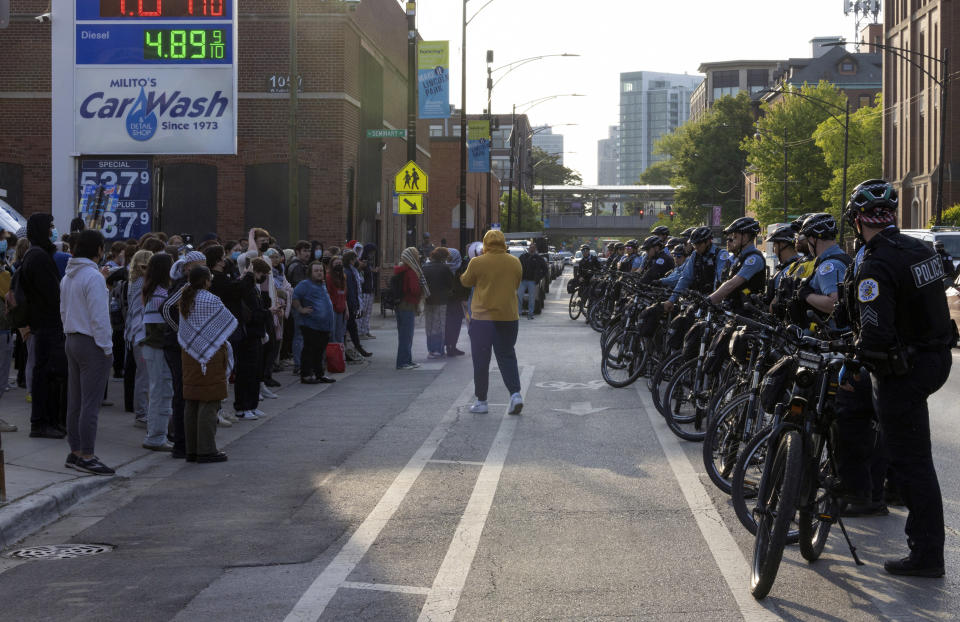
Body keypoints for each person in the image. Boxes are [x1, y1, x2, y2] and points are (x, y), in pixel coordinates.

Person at [844, 179, 956, 577]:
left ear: (859, 220)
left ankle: (926, 555)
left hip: (901, 370)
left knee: (913, 463)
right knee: (913, 458)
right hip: (934, 359)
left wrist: (855, 357)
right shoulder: (918, 248)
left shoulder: (876, 262)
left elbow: (874, 332)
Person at [60, 230, 115, 475]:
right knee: (90, 403)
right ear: (99, 249)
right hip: (91, 341)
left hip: (72, 338)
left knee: (76, 401)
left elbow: (63, 310)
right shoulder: (93, 276)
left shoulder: (69, 276)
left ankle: (75, 451)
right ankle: (87, 455)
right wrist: (106, 347)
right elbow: (99, 317)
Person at [459, 230, 524, 415]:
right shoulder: (514, 262)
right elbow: (516, 284)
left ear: (485, 244)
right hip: (508, 316)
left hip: (482, 318)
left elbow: (465, 281)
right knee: (507, 356)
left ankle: (481, 401)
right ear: (503, 242)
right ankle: (515, 395)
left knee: (481, 359)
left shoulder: (477, 262)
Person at [178, 265, 234, 463]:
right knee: (209, 400)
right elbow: (229, 322)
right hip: (211, 354)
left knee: (192, 400)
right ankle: (206, 449)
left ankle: (192, 450)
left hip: (189, 352)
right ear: (206, 280)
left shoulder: (185, 298)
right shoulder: (211, 299)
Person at [20, 214, 68, 439]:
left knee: (48, 374)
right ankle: (42, 422)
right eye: (50, 227)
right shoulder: (38, 256)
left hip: (44, 324)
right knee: (48, 375)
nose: (53, 231)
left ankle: (48, 421)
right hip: (48, 325)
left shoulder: (35, 254)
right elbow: (51, 294)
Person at [140, 253, 174, 451]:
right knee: (161, 392)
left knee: (158, 392)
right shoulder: (159, 294)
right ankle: (156, 436)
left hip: (154, 349)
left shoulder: (154, 291)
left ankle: (157, 434)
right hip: (157, 349)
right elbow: (157, 327)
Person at [707, 217, 765, 309]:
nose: (732, 239)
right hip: (734, 311)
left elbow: (731, 284)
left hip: (748, 316)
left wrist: (709, 300)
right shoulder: (739, 257)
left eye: (735, 236)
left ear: (745, 237)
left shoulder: (754, 259)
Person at [292, 261, 336, 384]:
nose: (319, 273)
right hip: (310, 325)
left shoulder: (322, 284)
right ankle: (306, 375)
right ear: (310, 272)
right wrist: (301, 309)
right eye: (316, 271)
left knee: (320, 351)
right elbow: (294, 296)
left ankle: (319, 374)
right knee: (309, 350)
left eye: (321, 270)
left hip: (324, 326)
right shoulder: (305, 284)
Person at [664, 226, 725, 313]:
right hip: (698, 300)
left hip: (713, 302)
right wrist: (671, 300)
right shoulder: (695, 255)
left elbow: (719, 280)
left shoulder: (720, 255)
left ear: (708, 242)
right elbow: (685, 277)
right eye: (694, 244)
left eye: (698, 244)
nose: (696, 247)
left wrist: (713, 301)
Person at [393, 248, 425, 369]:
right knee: (406, 335)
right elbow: (414, 290)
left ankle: (408, 360)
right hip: (408, 305)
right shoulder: (411, 271)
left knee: (404, 335)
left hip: (401, 305)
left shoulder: (401, 269)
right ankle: (402, 362)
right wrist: (421, 290)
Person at [423, 247, 454, 357]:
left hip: (428, 300)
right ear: (444, 257)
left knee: (429, 325)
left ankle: (430, 349)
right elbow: (451, 284)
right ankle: (438, 349)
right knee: (439, 325)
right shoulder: (445, 268)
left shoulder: (425, 267)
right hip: (441, 300)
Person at [286, 241, 312, 373]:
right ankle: (299, 364)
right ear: (297, 251)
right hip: (299, 306)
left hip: (301, 306)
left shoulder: (301, 265)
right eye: (305, 251)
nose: (308, 253)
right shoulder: (297, 267)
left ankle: (301, 363)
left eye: (309, 251)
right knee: (299, 335)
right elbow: (299, 289)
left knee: (301, 335)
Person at [341, 250, 371, 359]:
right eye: (355, 258)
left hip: (352, 303)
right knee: (350, 328)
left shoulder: (352, 271)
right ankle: (356, 349)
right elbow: (350, 290)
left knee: (351, 328)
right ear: (351, 260)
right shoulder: (348, 272)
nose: (357, 261)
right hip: (349, 304)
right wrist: (354, 305)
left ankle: (357, 348)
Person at [445, 249, 469, 357]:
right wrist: (464, 297)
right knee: (454, 325)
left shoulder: (446, 267)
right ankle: (451, 347)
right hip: (455, 301)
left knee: (451, 325)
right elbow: (462, 285)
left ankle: (451, 346)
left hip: (448, 301)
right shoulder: (459, 268)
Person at [517, 243, 548, 320]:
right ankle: (518, 313)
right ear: (528, 248)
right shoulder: (523, 257)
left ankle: (530, 314)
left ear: (535, 249)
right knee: (519, 297)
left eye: (533, 247)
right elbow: (516, 267)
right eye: (531, 247)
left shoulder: (538, 258)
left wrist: (538, 277)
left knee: (532, 298)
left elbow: (545, 269)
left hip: (532, 282)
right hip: (522, 280)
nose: (532, 249)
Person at [358, 243, 378, 339]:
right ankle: (361, 332)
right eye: (371, 252)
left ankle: (366, 331)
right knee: (363, 312)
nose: (372, 254)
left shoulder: (369, 262)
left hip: (370, 289)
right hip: (365, 290)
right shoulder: (362, 262)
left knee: (368, 312)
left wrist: (373, 271)